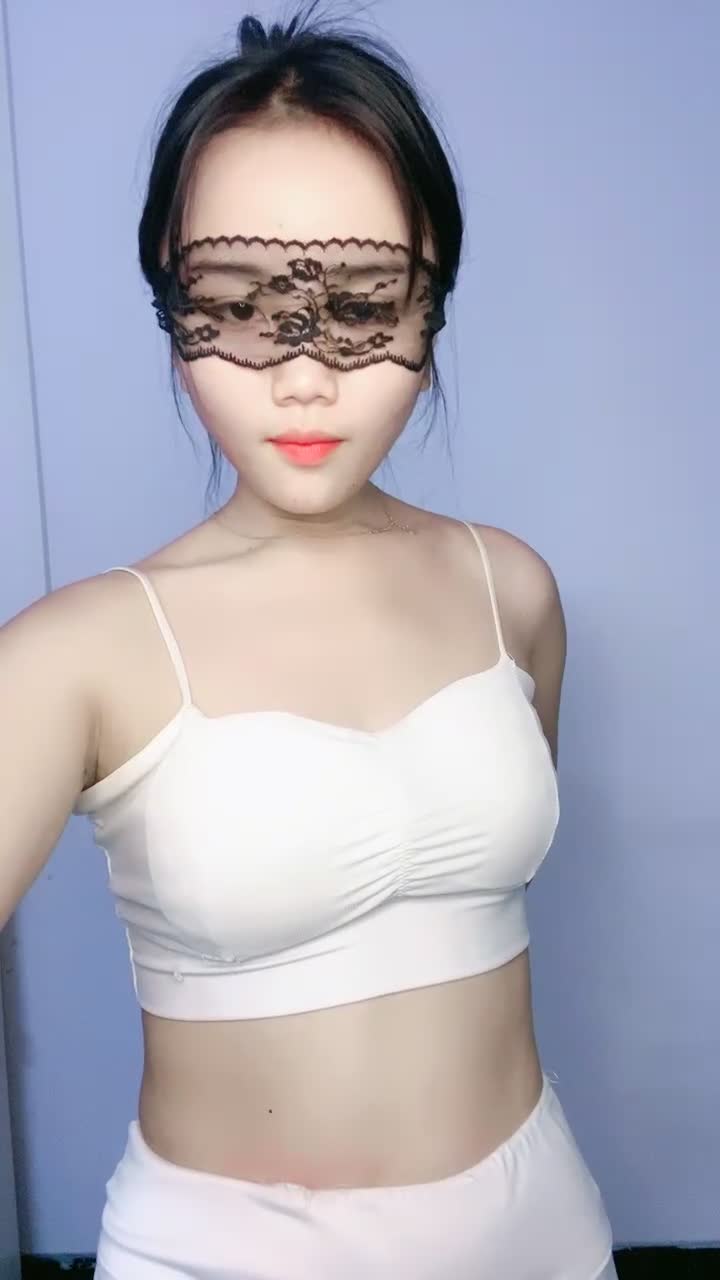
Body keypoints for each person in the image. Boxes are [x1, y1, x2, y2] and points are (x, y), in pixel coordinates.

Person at [0, 5, 618, 1276]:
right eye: (236, 308)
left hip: (544, 1233)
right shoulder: (77, 654)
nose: (302, 376)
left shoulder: (511, 590)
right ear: (171, 300)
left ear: (431, 303)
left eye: (363, 307)